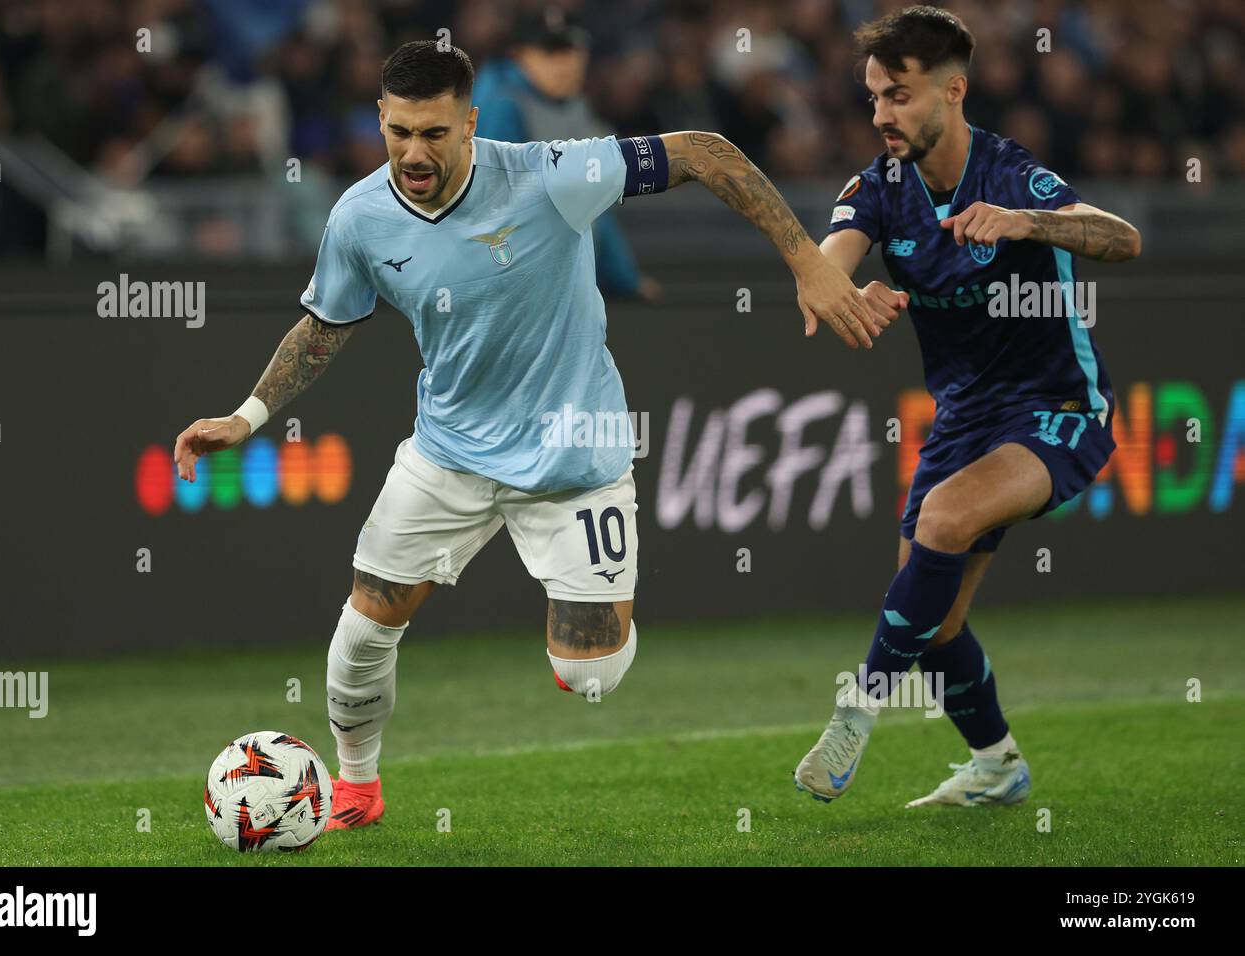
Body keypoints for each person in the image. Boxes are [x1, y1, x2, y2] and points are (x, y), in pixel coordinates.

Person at [174, 40, 877, 832]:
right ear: (379, 119)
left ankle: (602, 608)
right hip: (447, 455)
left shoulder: (552, 175)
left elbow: (706, 152)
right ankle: (356, 788)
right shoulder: (360, 217)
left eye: (434, 134)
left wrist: (808, 263)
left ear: (470, 123)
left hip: (572, 461)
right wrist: (246, 416)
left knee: (590, 677)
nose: (414, 152)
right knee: (363, 630)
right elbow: (324, 326)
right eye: (399, 132)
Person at [793, 5, 1141, 808]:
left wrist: (1028, 223)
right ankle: (997, 765)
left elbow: (1122, 238)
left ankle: (858, 709)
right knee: (934, 619)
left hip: (1058, 405)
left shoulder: (1010, 173)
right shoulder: (879, 188)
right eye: (874, 97)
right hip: (964, 419)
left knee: (944, 520)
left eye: (899, 95)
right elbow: (825, 263)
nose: (881, 115)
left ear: (953, 91)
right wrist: (839, 291)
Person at [473, 5, 657, 300]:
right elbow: (497, 208)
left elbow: (596, 201)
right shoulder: (502, 105)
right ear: (520, 56)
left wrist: (625, 279)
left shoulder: (574, 105)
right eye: (548, 52)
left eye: (569, 50)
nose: (562, 63)